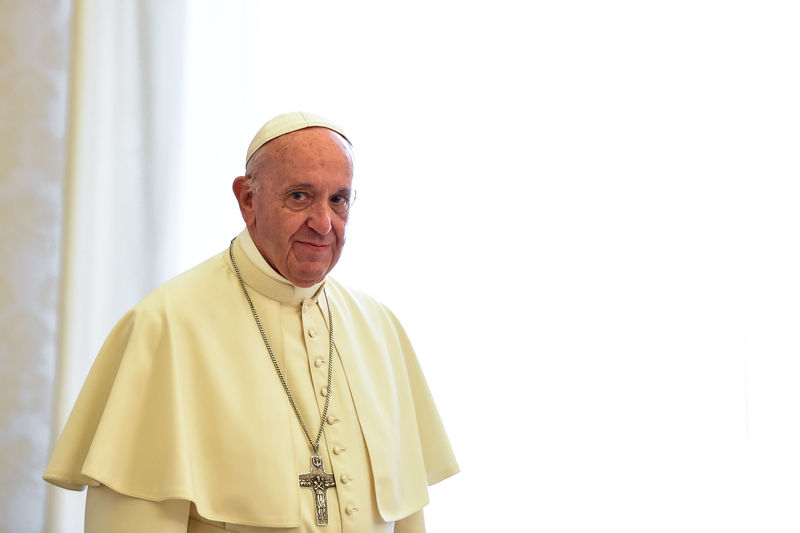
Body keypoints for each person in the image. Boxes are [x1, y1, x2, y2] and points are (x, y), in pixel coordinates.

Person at [44, 111, 458, 532]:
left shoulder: (380, 330)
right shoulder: (166, 327)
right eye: (300, 196)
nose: (323, 223)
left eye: (339, 199)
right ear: (247, 200)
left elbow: (408, 518)